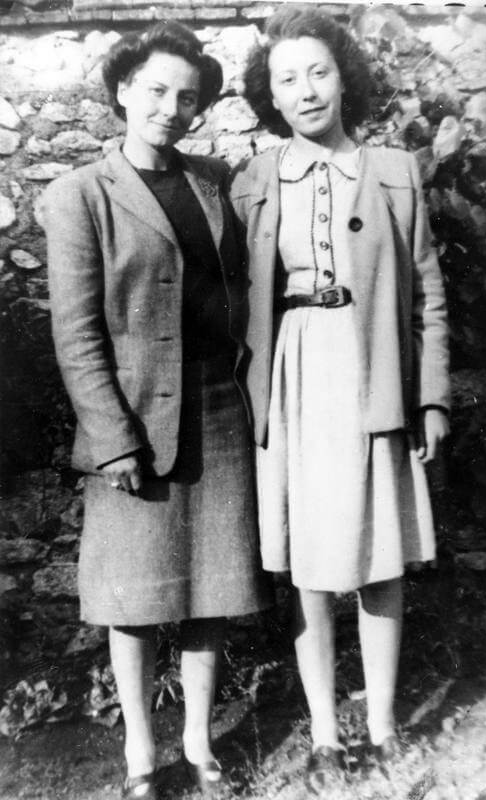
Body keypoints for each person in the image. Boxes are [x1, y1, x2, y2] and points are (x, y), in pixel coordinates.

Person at [43, 22, 270, 800]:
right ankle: (142, 754)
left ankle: (201, 743)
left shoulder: (213, 181)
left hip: (219, 409)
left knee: (214, 590)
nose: (171, 108)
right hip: (134, 419)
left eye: (187, 97)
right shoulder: (80, 194)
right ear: (121, 93)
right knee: (134, 601)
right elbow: (75, 333)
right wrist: (113, 442)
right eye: (155, 91)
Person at [231, 6, 450, 791]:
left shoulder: (394, 169)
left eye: (319, 71)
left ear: (344, 78)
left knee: (379, 552)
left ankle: (384, 720)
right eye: (287, 79)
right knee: (307, 559)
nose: (306, 89)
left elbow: (426, 287)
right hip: (294, 370)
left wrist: (431, 398)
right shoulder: (255, 178)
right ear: (272, 96)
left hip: (372, 369)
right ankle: (324, 729)